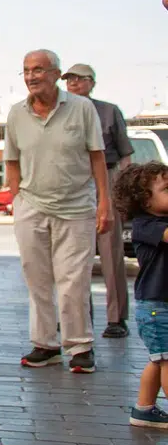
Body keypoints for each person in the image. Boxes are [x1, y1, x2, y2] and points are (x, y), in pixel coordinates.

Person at [6, 49, 110, 374]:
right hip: (31, 207)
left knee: (73, 281)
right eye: (26, 70)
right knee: (36, 279)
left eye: (38, 69)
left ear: (55, 73)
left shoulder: (82, 108)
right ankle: (45, 344)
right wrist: (16, 199)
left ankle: (79, 346)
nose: (31, 76)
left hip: (77, 208)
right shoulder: (16, 113)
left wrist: (104, 203)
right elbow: (11, 160)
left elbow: (97, 158)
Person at [63, 63, 135, 339]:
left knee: (110, 254)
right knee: (72, 257)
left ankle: (116, 318)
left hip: (106, 178)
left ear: (92, 82)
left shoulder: (108, 111)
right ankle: (78, 316)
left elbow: (125, 152)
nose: (73, 84)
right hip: (73, 180)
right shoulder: (62, 111)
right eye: (69, 80)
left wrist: (119, 189)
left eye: (79, 80)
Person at [113, 163, 168, 428]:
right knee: (167, 360)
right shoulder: (146, 225)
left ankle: (143, 409)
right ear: (144, 201)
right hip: (157, 308)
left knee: (159, 360)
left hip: (160, 305)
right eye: (167, 189)